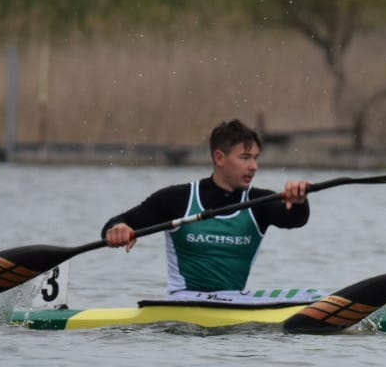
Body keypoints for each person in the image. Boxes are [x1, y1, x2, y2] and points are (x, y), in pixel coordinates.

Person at [102, 118, 312, 301]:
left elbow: (294, 219)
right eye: (245, 157)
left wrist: (299, 200)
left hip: (234, 304)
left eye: (255, 158)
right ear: (219, 158)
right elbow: (119, 222)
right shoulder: (178, 199)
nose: (253, 166)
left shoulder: (259, 202)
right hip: (183, 304)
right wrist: (117, 228)